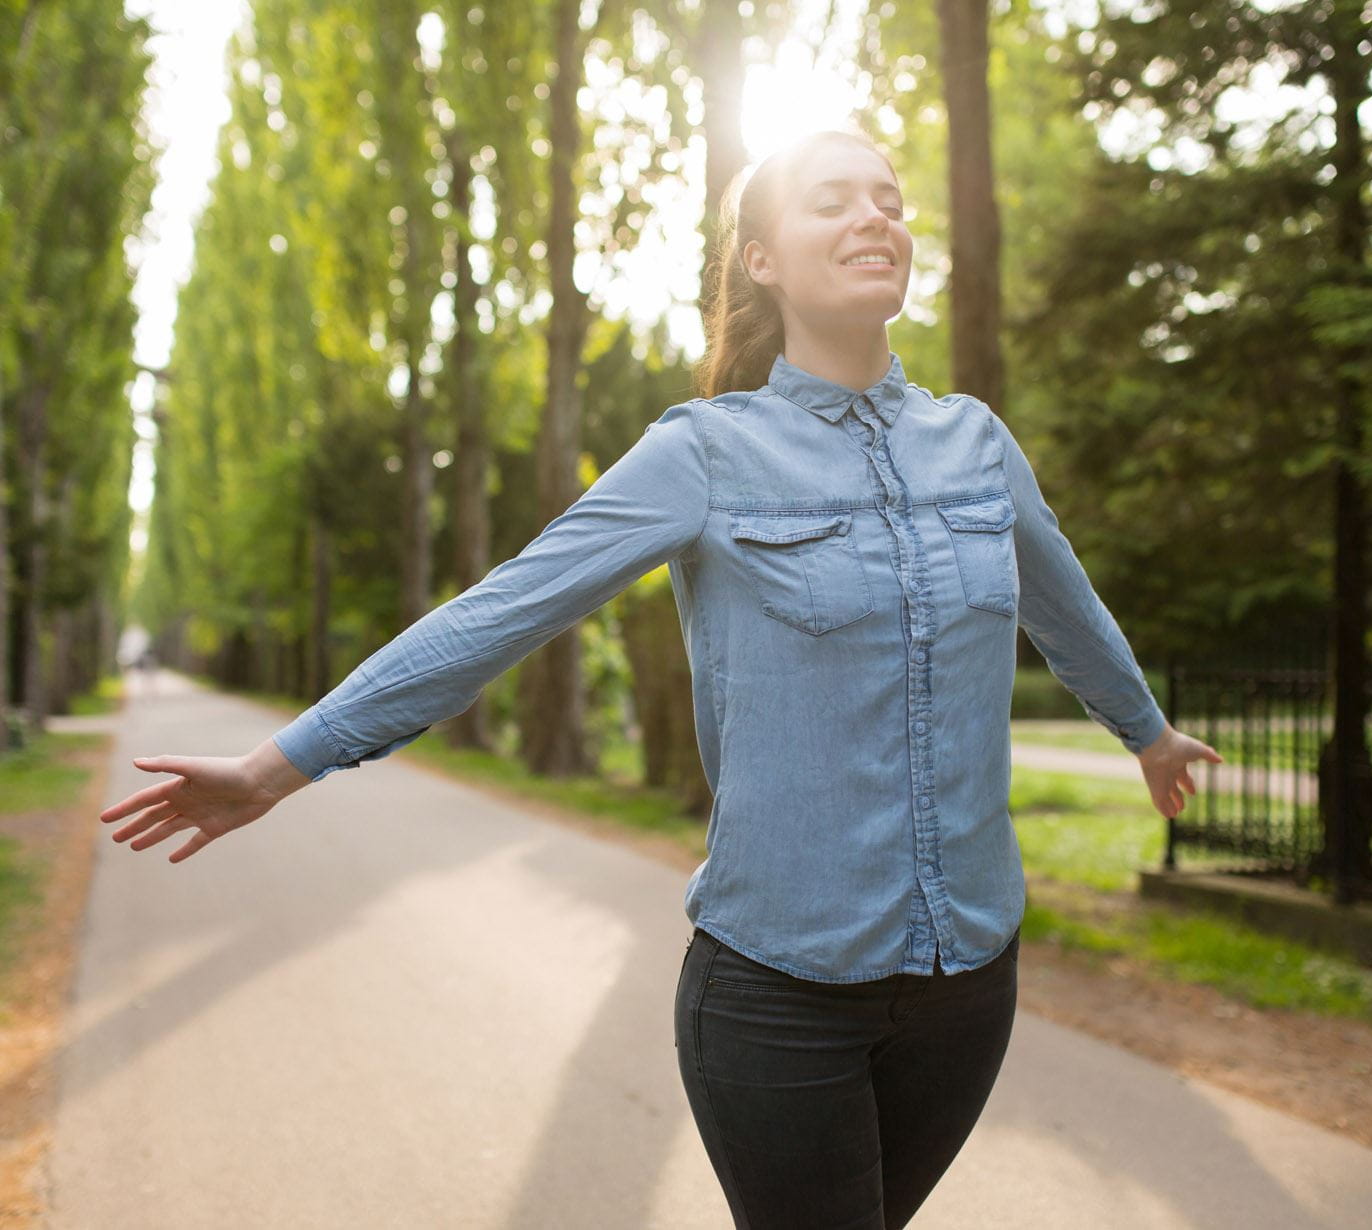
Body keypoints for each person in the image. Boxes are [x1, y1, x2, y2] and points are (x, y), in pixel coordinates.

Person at [98, 127, 1222, 1229]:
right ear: (761, 260)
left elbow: (1062, 604)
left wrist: (1145, 733)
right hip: (776, 999)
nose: (874, 213)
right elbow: (497, 614)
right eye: (831, 199)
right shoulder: (702, 454)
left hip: (968, 982)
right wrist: (275, 765)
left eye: (886, 196)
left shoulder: (975, 443)